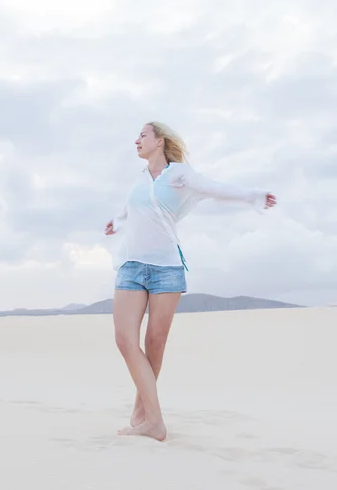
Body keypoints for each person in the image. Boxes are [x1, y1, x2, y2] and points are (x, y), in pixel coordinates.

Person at [104, 121, 276, 441]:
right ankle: (152, 420)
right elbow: (128, 212)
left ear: (160, 141)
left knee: (154, 344)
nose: (136, 140)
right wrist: (115, 223)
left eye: (143, 135)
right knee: (125, 340)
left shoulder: (180, 174)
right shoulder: (139, 183)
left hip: (166, 269)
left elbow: (213, 187)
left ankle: (145, 419)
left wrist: (252, 195)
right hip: (131, 267)